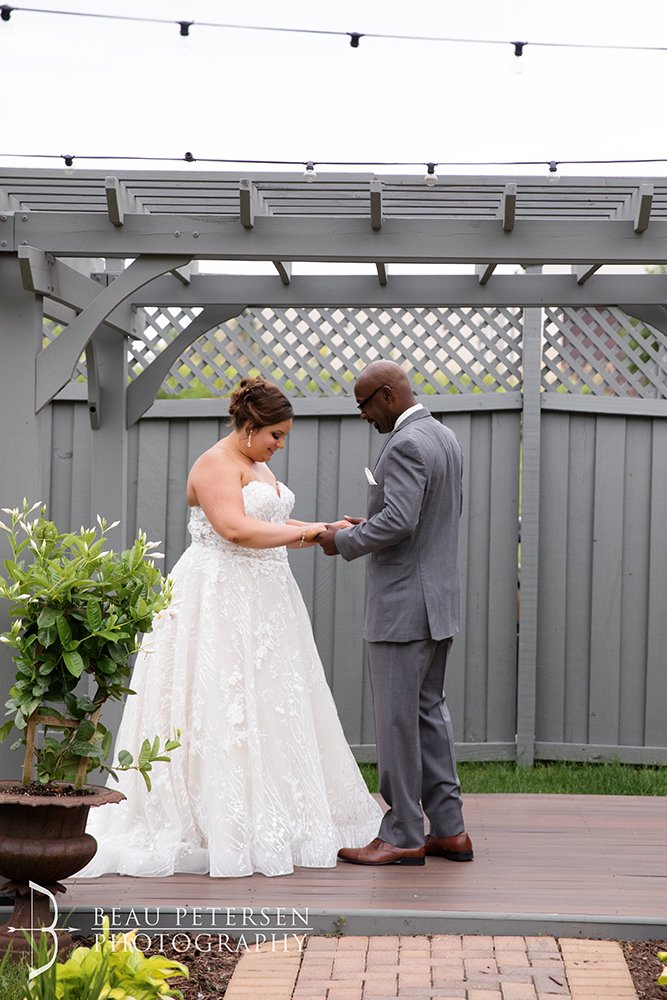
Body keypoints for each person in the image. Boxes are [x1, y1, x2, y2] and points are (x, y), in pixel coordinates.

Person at [78, 377, 382, 879]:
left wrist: (325, 529)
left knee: (271, 702)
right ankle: (212, 823)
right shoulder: (214, 463)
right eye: (276, 435)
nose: (280, 445)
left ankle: (277, 813)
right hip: (219, 596)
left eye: (283, 437)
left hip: (266, 599)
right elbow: (235, 529)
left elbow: (270, 524)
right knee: (220, 700)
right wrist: (310, 533)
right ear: (250, 427)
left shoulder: (257, 464)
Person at [317, 360, 473, 867]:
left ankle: (404, 832)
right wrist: (371, 523)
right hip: (438, 602)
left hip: (404, 607)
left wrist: (342, 540)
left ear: (386, 395)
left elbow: (402, 522)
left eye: (363, 404)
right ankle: (449, 830)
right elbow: (424, 519)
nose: (363, 415)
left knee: (397, 722)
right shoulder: (444, 437)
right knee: (429, 715)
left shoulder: (405, 443)